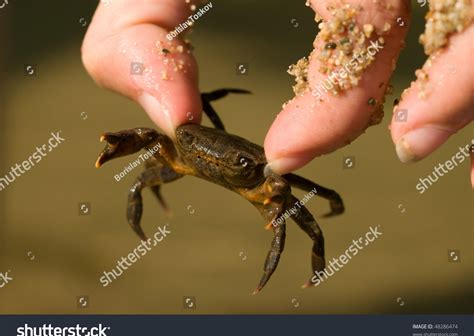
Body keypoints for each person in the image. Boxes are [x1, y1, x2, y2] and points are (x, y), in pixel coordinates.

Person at [82, 0, 474, 186]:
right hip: (200, 148)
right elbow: (156, 141)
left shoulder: (269, 181)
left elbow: (314, 201)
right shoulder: (177, 145)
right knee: (144, 178)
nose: (207, 158)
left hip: (253, 172)